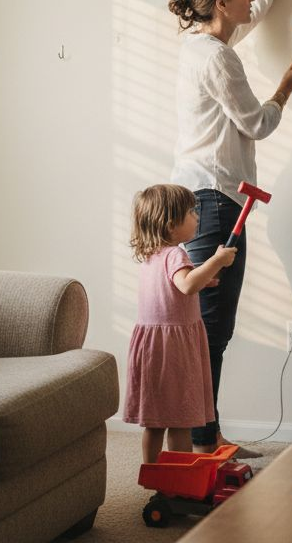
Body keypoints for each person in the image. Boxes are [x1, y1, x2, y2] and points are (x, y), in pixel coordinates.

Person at [168, 0, 292, 454]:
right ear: (222, 2)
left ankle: (206, 434)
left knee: (211, 326)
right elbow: (257, 123)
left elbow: (257, 6)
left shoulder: (204, 45)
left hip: (205, 196)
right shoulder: (219, 61)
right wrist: (286, 88)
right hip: (214, 200)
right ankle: (204, 439)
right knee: (212, 327)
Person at [123, 183, 237, 464]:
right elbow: (186, 285)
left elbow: (173, 287)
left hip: (152, 347)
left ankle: (150, 470)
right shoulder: (176, 253)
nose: (196, 217)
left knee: (155, 420)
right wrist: (217, 260)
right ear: (171, 223)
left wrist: (203, 279)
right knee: (180, 419)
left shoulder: (151, 255)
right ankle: (179, 477)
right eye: (191, 212)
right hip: (173, 349)